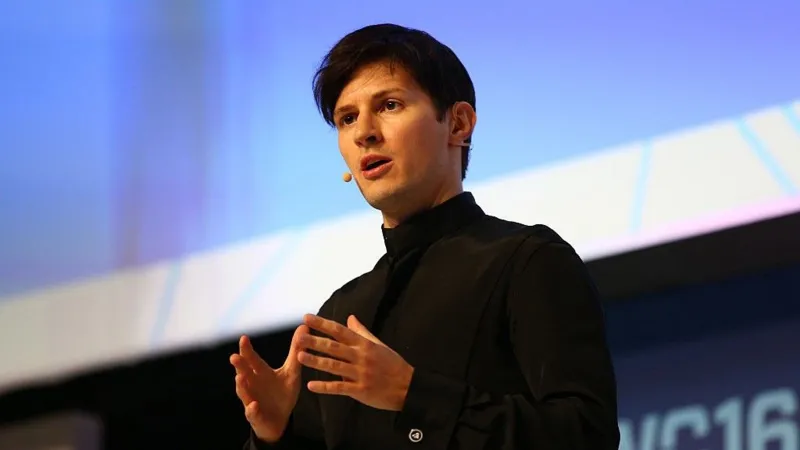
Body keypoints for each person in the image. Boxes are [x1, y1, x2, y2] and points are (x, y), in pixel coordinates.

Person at [230, 23, 619, 449]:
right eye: (347, 118)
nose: (364, 133)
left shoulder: (526, 262)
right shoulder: (339, 315)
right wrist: (272, 434)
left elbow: (585, 434)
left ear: (458, 124)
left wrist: (411, 395)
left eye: (390, 104)